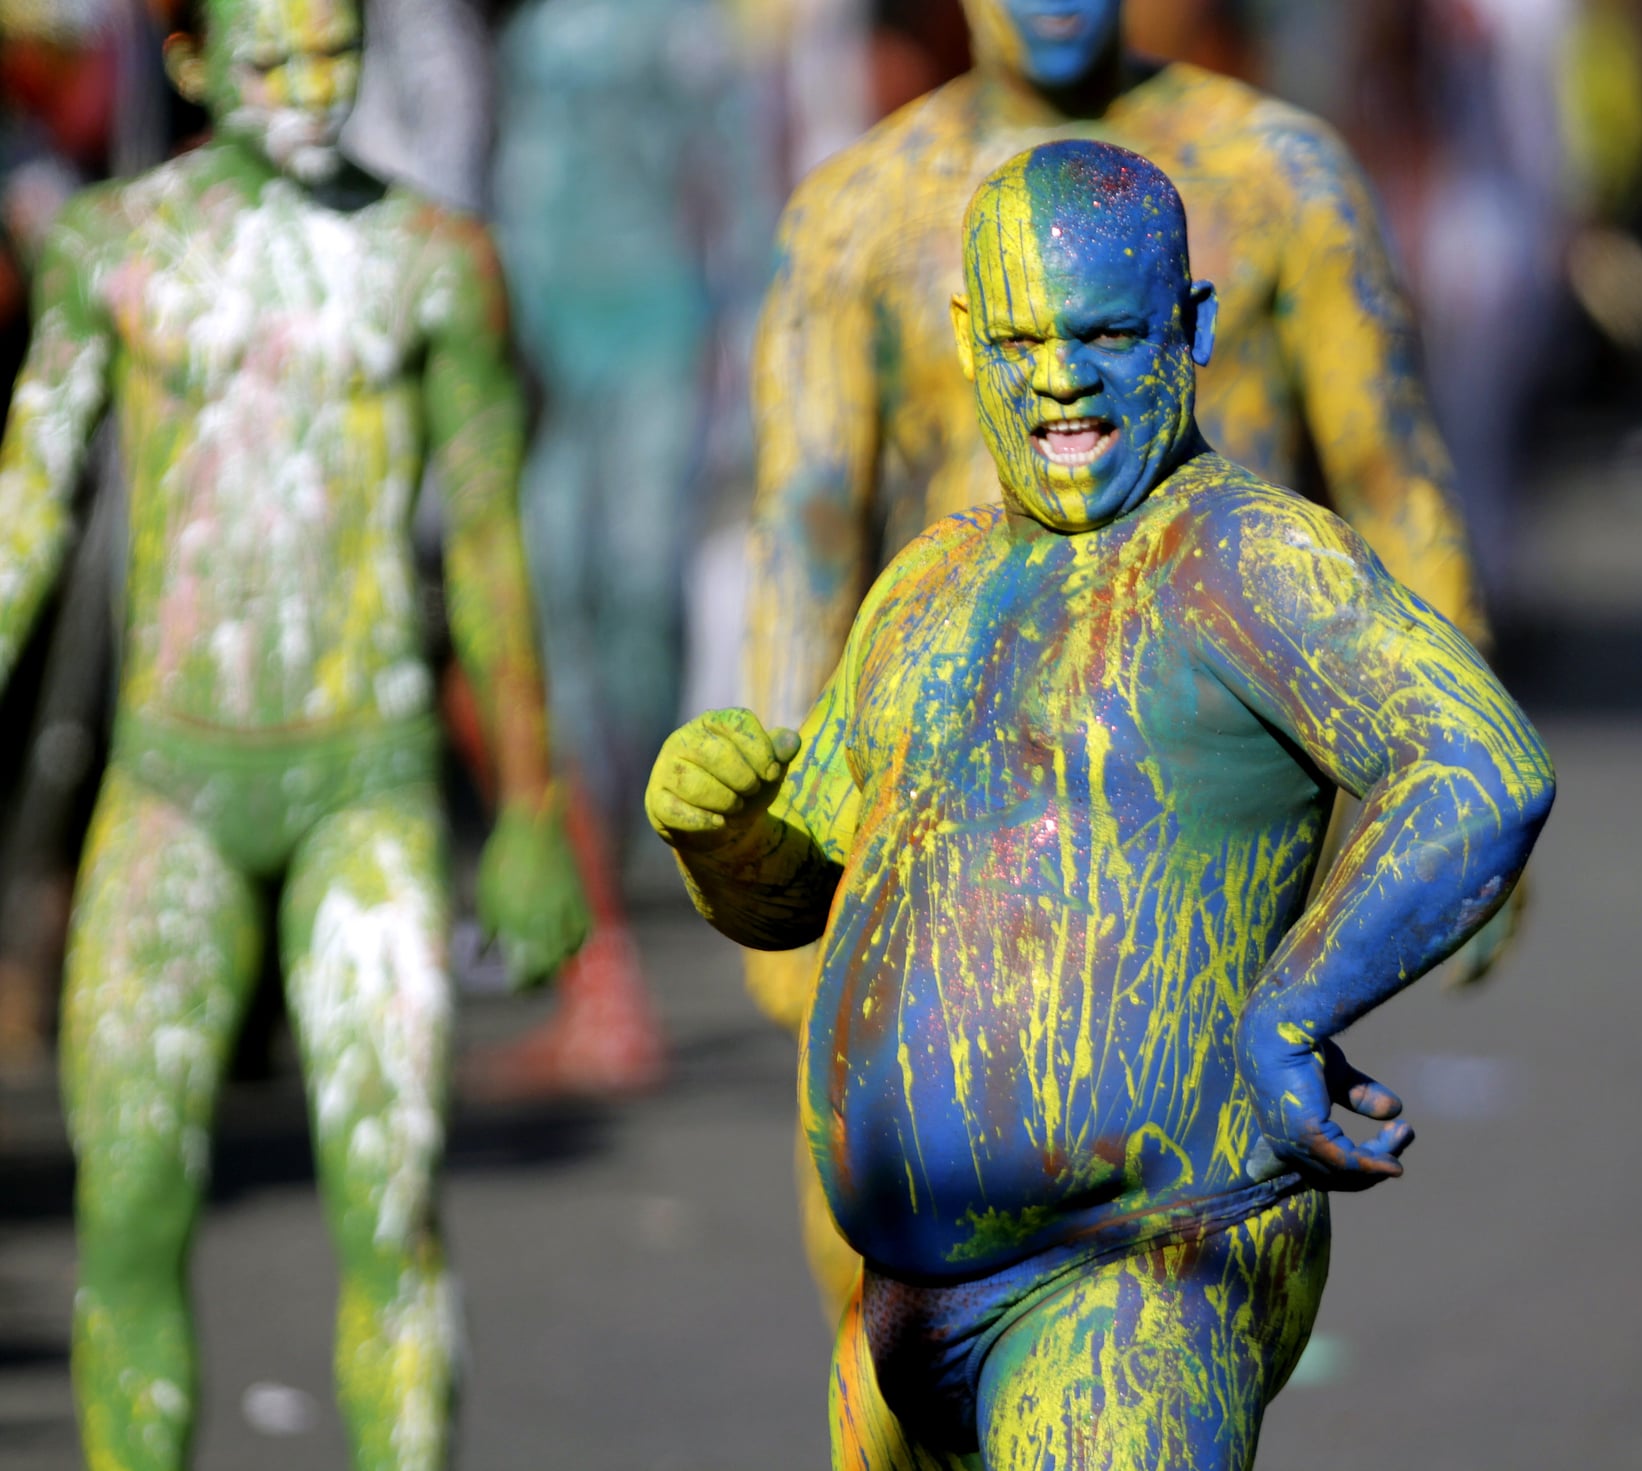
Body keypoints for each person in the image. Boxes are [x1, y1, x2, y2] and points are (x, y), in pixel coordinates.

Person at [651, 140, 1554, 1469]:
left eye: (1108, 334)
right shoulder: (929, 585)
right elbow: (802, 895)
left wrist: (1296, 1007)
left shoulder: (1241, 556)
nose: (1062, 376)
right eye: (1023, 340)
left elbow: (1482, 767)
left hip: (1138, 1278)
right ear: (966, 338)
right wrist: (725, 837)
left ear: (1190, 328)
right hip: (899, 1301)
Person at [746, 0, 1514, 1312]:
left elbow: (1392, 473)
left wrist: (1458, 745)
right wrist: (779, 853)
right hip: (941, 813)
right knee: (888, 1319)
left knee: (1178, 1295)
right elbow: (807, 531)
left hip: (1195, 825)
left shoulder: (1276, 174)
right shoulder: (858, 213)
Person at [0, 1, 588, 1465]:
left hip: (366, 781)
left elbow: (493, 550)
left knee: (389, 1206)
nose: (313, 94)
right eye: (271, 64)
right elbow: (24, 506)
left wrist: (526, 806)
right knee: (129, 1211)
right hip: (172, 784)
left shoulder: (432, 263)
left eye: (335, 54)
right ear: (193, 64)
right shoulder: (116, 252)